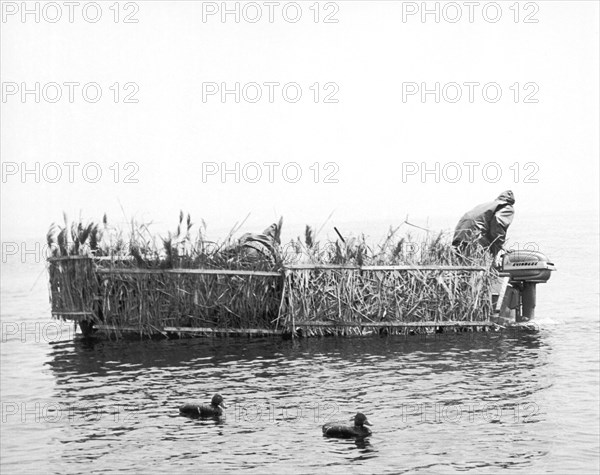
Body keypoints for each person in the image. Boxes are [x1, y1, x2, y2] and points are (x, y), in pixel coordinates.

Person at [452, 190, 515, 258]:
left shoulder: (486, 205)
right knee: (485, 261)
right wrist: (499, 247)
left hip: (459, 237)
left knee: (465, 262)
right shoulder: (506, 207)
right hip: (476, 237)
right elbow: (498, 226)